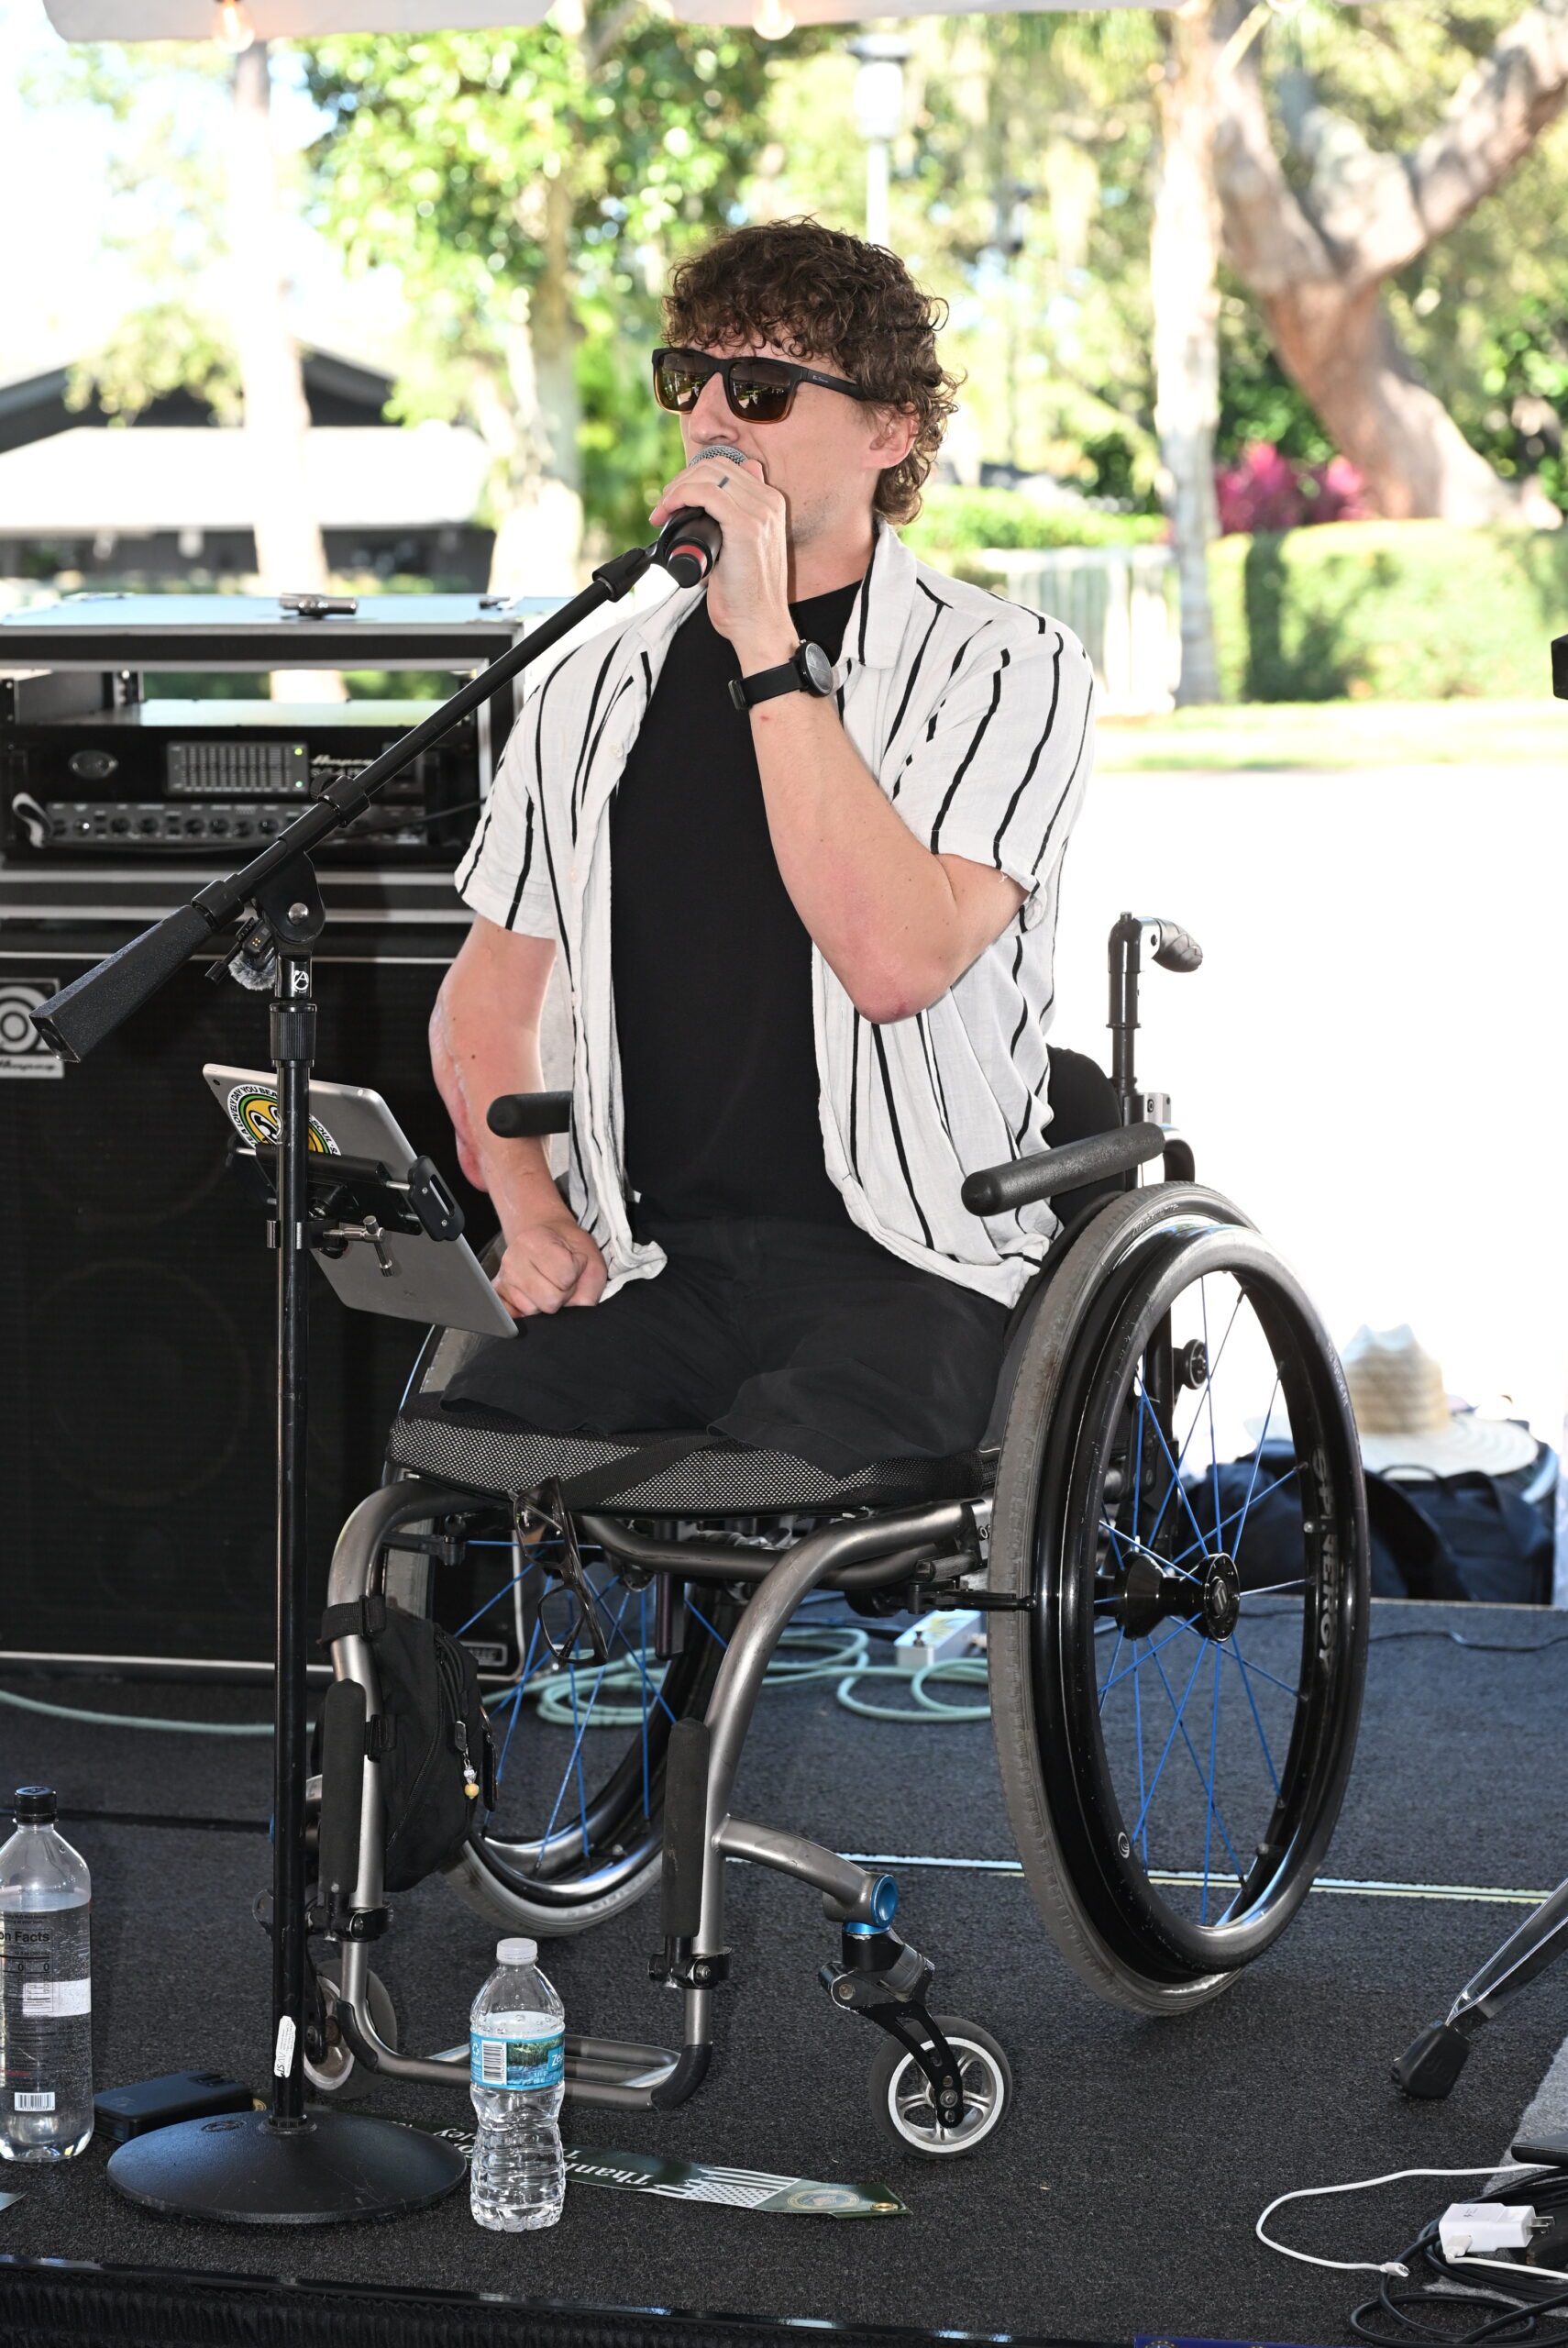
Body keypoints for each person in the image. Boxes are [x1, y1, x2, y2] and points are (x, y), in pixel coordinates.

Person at [429, 217, 1096, 1476]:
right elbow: (487, 998)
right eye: (693, 377)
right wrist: (529, 1208)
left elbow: (896, 964)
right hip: (660, 1269)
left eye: (764, 387)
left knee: (775, 1478)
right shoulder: (586, 686)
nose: (711, 418)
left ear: (890, 430)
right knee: (451, 1466)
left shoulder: (1004, 664)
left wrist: (765, 647)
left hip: (910, 1266)